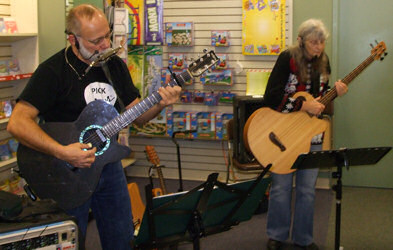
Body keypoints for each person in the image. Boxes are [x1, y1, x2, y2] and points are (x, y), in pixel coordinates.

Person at [7, 4, 181, 250]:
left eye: (107, 36)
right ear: (73, 39)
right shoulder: (52, 71)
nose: (104, 45)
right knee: (71, 240)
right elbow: (17, 122)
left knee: (122, 239)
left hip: (108, 166)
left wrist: (161, 103)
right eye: (95, 41)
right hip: (65, 171)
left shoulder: (115, 66)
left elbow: (138, 117)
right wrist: (62, 151)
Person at [263, 19, 348, 250]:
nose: (318, 47)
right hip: (283, 134)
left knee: (307, 190)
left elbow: (320, 103)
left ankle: (304, 238)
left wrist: (335, 93)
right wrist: (302, 106)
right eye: (313, 42)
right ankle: (277, 235)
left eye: (321, 42)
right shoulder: (286, 58)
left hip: (312, 135)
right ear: (301, 41)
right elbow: (270, 97)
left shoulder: (324, 62)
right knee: (281, 187)